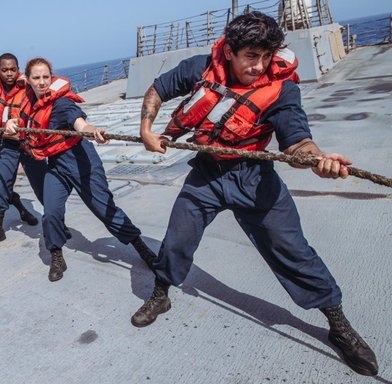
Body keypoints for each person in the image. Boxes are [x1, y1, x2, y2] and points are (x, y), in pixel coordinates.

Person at [132, 11, 378, 376]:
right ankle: (162, 293)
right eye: (251, 56)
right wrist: (146, 127)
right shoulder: (200, 68)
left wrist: (317, 159)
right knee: (176, 239)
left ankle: (338, 324)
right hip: (207, 173)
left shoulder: (282, 88)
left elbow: (296, 139)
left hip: (254, 178)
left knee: (293, 250)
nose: (260, 66)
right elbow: (159, 89)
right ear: (229, 52)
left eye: (266, 56)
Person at [5, 57, 156, 282]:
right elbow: (21, 119)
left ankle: (140, 246)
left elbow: (79, 123)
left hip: (81, 161)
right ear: (28, 80)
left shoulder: (62, 103)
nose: (42, 82)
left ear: (52, 76)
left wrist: (90, 130)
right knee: (51, 212)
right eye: (36, 78)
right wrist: (11, 123)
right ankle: (56, 254)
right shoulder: (28, 101)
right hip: (56, 165)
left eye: (46, 76)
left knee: (105, 210)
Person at [0, 53, 47, 249]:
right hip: (7, 146)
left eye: (13, 69)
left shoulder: (28, 88)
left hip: (29, 145)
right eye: (4, 70)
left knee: (44, 190)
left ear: (18, 69)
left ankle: (56, 224)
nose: (9, 74)